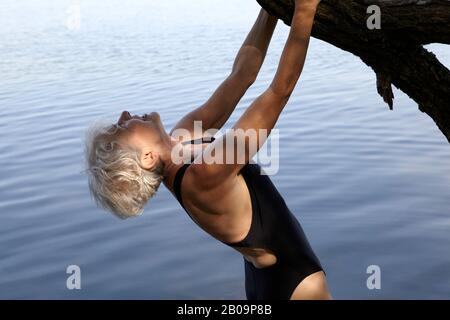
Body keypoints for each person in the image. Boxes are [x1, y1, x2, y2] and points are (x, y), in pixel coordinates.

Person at [86, 0, 331, 300]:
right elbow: (279, 91)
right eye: (121, 127)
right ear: (147, 157)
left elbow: (241, 76)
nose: (124, 114)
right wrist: (304, 9)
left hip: (264, 276)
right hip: (293, 285)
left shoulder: (183, 137)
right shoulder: (204, 175)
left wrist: (270, 9)